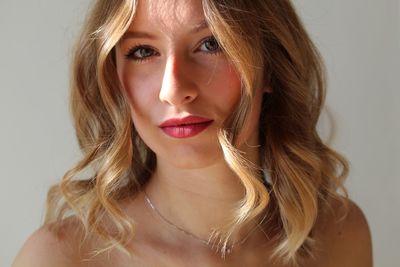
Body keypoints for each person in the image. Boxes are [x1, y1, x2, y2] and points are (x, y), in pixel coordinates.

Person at [12, 0, 373, 266]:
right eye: (142, 51)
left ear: (272, 66)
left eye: (210, 44)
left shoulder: (338, 235)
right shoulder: (60, 258)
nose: (173, 88)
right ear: (113, 79)